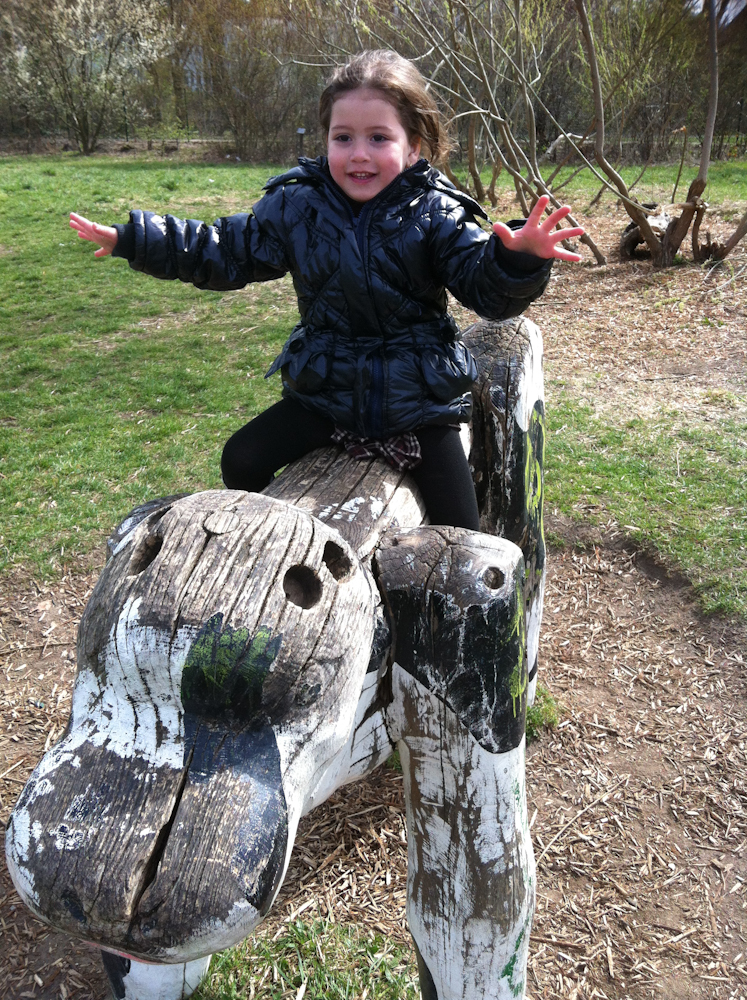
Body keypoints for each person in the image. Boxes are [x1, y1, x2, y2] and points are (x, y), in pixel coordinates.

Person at [70, 50, 584, 531]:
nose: (359, 155)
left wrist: (518, 258)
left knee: (461, 532)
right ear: (326, 141)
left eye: (379, 138)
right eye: (343, 138)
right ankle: (294, 549)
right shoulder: (297, 208)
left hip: (416, 404)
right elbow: (223, 249)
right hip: (327, 394)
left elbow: (486, 289)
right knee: (240, 460)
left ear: (413, 148)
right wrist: (136, 239)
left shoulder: (435, 213)